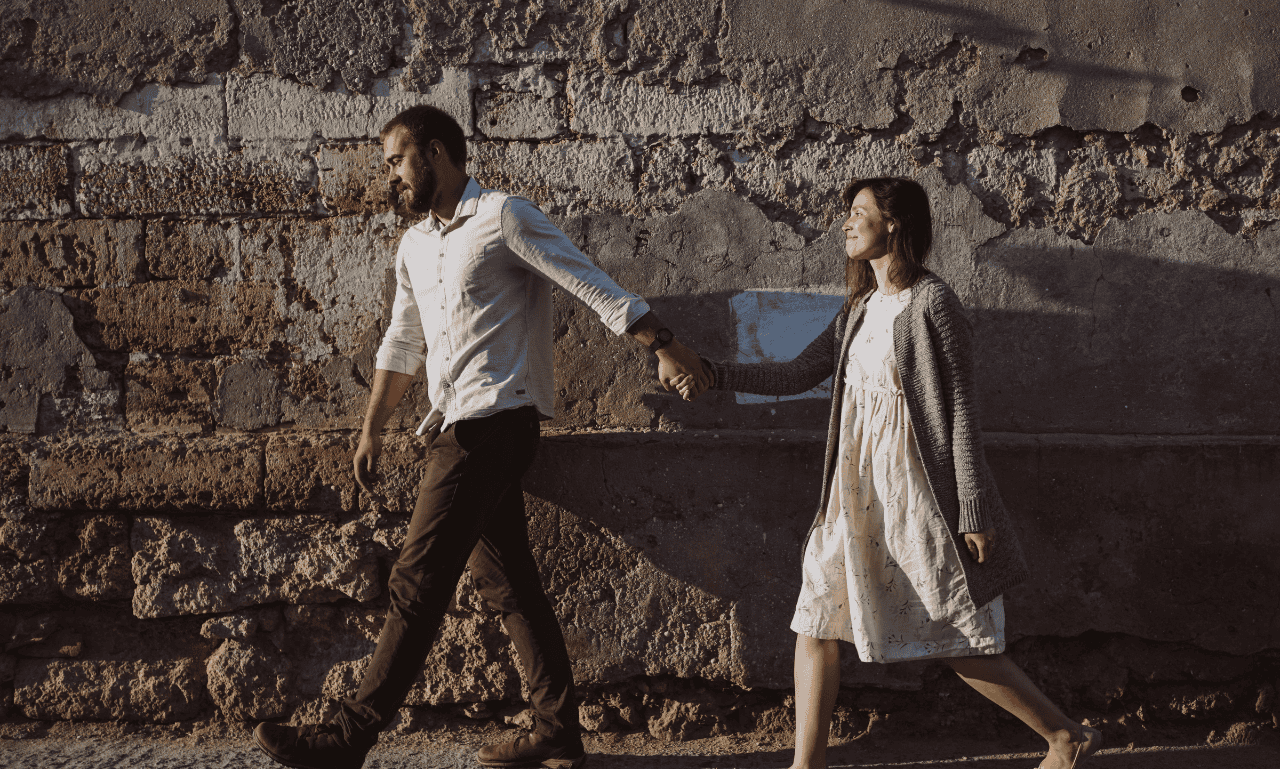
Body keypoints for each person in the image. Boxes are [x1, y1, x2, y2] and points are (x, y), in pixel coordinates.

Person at [253, 104, 713, 769]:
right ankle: (556, 729)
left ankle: (347, 738)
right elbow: (403, 340)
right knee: (510, 587)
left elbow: (585, 280)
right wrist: (372, 427)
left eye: (394, 160)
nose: (389, 177)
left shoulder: (503, 217)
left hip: (494, 426)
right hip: (452, 428)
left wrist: (662, 344)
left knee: (416, 581)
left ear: (435, 153)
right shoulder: (416, 245)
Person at [677, 177, 1102, 769]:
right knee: (816, 615)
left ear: (894, 224)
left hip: (916, 492)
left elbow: (961, 417)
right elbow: (798, 374)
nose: (846, 225)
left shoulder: (933, 305)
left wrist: (974, 511)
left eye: (859, 213)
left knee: (953, 632)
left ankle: (1063, 734)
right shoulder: (858, 307)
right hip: (854, 492)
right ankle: (808, 764)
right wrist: (714, 373)